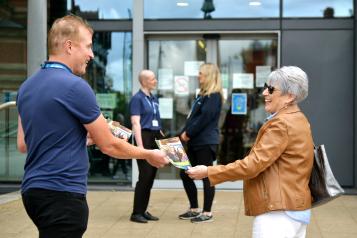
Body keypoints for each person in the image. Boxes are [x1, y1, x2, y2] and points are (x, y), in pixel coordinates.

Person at [16, 15, 168, 238]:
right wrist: (148, 154)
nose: (92, 54)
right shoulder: (76, 87)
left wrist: (79, 139)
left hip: (33, 193)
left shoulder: (26, 87)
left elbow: (23, 144)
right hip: (63, 194)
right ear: (69, 46)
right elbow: (109, 146)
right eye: (88, 46)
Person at [187, 66, 314, 237]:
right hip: (295, 208)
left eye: (271, 89)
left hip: (278, 214)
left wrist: (208, 171)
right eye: (265, 86)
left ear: (290, 96)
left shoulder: (281, 124)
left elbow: (251, 166)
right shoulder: (298, 118)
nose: (264, 93)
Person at [178, 63, 223, 223]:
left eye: (201, 73)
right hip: (195, 142)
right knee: (185, 174)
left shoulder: (214, 96)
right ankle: (194, 208)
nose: (198, 76)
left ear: (209, 75)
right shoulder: (203, 95)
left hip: (205, 142)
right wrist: (182, 133)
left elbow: (204, 119)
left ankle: (207, 212)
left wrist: (188, 133)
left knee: (207, 177)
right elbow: (192, 118)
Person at [129, 70, 164, 223]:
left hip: (155, 137)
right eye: (152, 79)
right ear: (144, 82)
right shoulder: (137, 99)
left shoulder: (154, 98)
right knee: (144, 176)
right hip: (143, 137)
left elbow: (156, 121)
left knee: (150, 177)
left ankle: (143, 210)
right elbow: (136, 123)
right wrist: (141, 148)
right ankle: (136, 213)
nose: (155, 81)